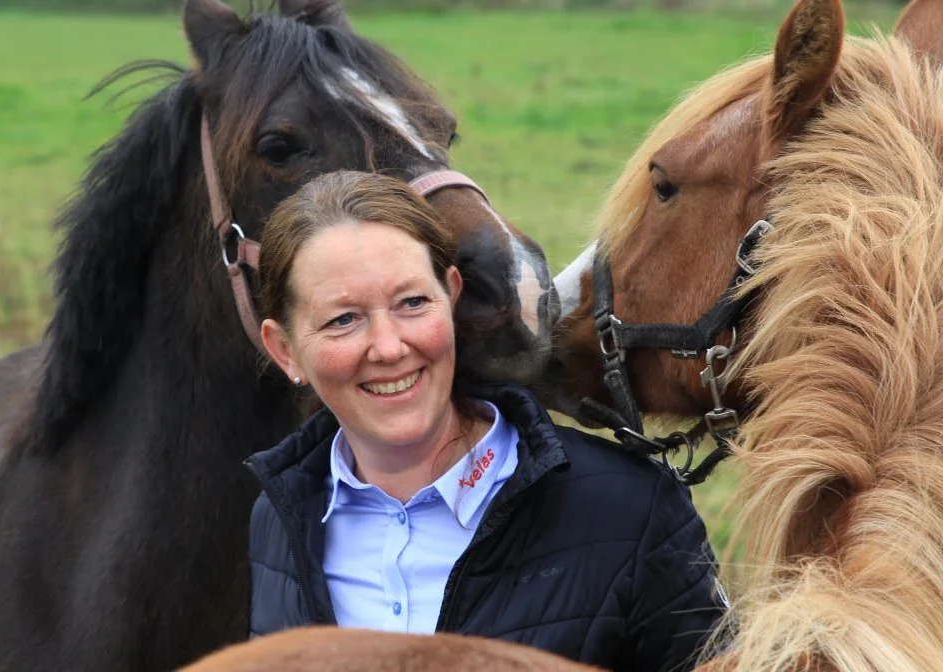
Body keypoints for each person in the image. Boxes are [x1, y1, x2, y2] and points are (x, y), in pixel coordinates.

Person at [244, 171, 727, 671]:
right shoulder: (279, 517)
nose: (389, 347)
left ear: (451, 295)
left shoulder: (632, 511)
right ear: (286, 351)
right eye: (343, 319)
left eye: (412, 303)